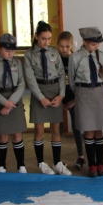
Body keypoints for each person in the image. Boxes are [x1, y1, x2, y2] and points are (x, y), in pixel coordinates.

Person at [24, 21, 70, 176]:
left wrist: (61, 95)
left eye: (49, 38)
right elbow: (30, 79)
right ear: (36, 36)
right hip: (39, 92)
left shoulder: (54, 52)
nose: (46, 42)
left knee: (56, 129)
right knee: (39, 130)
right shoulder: (29, 54)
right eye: (43, 38)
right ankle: (41, 163)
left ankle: (57, 163)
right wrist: (40, 97)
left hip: (55, 91)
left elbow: (62, 76)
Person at [69, 27, 103, 178]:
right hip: (83, 94)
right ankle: (92, 164)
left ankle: (100, 163)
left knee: (99, 129)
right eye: (93, 44)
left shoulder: (102, 56)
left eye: (98, 44)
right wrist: (80, 94)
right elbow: (72, 81)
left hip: (99, 93)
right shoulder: (75, 58)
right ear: (84, 41)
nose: (96, 46)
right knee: (88, 130)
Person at [0, 34, 27, 173]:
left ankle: (21, 165)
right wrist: (4, 102)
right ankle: (2, 165)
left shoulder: (17, 63)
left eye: (12, 50)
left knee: (17, 135)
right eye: (7, 50)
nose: (10, 53)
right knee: (2, 136)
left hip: (15, 100)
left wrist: (11, 102)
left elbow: (22, 84)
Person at [57, 31, 85, 170]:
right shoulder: (55, 59)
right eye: (61, 46)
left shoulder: (75, 59)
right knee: (58, 128)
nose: (64, 49)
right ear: (57, 45)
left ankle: (81, 156)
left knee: (76, 127)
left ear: (71, 46)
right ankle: (57, 159)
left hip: (74, 98)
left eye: (67, 46)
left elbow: (80, 82)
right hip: (59, 98)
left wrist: (74, 101)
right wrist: (60, 100)